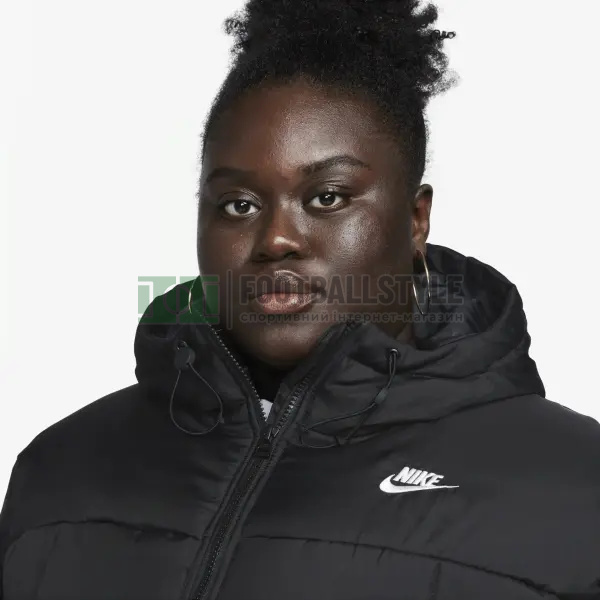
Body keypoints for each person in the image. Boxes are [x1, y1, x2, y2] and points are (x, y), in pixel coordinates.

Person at [1, 0, 599, 598]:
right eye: (239, 204)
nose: (275, 240)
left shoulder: (575, 487)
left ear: (416, 218)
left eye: (327, 197)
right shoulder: (61, 469)